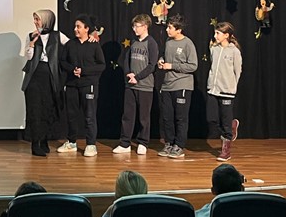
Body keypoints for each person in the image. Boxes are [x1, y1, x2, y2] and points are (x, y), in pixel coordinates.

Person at [58, 13, 106, 157]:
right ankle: (71, 142)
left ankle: (91, 144)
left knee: (89, 116)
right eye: (75, 26)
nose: (75, 29)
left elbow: (101, 65)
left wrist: (84, 71)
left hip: (89, 85)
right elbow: (62, 61)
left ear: (86, 29)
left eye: (78, 27)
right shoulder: (70, 44)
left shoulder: (94, 45)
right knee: (71, 115)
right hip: (72, 85)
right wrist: (72, 70)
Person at [22, 9, 68, 156]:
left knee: (48, 109)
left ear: (47, 20)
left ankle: (44, 140)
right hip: (35, 76)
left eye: (38, 19)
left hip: (51, 76)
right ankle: (35, 144)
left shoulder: (58, 35)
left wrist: (91, 36)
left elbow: (72, 46)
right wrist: (32, 44)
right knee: (35, 110)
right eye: (34, 19)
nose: (35, 22)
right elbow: (28, 57)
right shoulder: (31, 35)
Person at [113, 14, 158, 155]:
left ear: (145, 27)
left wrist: (137, 77)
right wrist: (129, 75)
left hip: (144, 86)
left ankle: (143, 142)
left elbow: (152, 65)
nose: (134, 29)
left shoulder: (151, 43)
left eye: (137, 26)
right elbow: (126, 60)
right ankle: (125, 143)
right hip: (130, 85)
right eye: (133, 26)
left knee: (144, 117)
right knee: (128, 115)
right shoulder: (133, 42)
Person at [157, 14, 198, 159]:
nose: (167, 30)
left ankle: (179, 146)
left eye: (170, 27)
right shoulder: (168, 41)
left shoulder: (188, 44)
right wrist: (161, 61)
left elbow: (193, 65)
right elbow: (164, 55)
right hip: (167, 85)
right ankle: (169, 143)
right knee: (167, 117)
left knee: (180, 118)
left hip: (182, 85)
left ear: (179, 30)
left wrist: (172, 66)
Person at [207, 22, 242, 161]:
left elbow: (237, 71)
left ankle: (226, 150)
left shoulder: (234, 51)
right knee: (212, 118)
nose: (215, 35)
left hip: (227, 91)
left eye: (218, 33)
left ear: (226, 35)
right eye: (215, 33)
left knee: (225, 120)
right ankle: (231, 128)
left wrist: (231, 86)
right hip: (213, 89)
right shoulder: (214, 49)